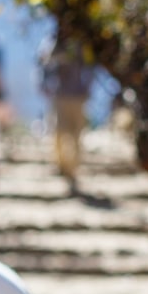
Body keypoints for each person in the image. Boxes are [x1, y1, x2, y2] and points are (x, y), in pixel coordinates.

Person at [38, 30, 97, 186]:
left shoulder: (80, 44)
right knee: (59, 131)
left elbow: (90, 67)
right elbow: (44, 63)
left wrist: (87, 88)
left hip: (78, 95)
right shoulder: (51, 43)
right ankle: (61, 164)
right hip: (60, 95)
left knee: (77, 132)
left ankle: (74, 167)